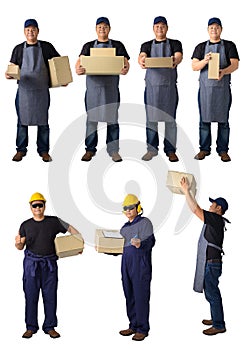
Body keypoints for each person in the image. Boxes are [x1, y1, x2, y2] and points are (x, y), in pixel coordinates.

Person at [15, 192, 83, 339]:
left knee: (50, 296)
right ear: (30, 207)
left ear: (44, 206)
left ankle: (50, 326)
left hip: (49, 265)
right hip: (31, 265)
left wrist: (77, 244)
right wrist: (18, 243)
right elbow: (20, 247)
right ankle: (31, 327)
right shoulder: (25, 225)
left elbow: (71, 228)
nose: (38, 208)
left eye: (40, 205)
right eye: (35, 205)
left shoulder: (54, 222)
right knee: (31, 296)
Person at [5, 19, 63, 162]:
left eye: (33, 29)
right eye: (28, 30)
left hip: (41, 91)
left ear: (38, 31)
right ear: (24, 32)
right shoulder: (18, 49)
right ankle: (20, 150)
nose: (30, 32)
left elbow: (59, 65)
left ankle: (43, 151)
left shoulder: (46, 47)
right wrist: (8, 74)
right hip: (24, 92)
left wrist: (62, 80)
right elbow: (12, 66)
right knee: (22, 121)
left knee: (43, 122)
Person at [75, 17, 130, 162]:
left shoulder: (117, 45)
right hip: (93, 88)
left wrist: (125, 69)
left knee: (112, 120)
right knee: (91, 120)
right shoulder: (88, 46)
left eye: (105, 26)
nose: (102, 29)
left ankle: (113, 151)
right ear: (95, 29)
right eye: (99, 27)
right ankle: (89, 150)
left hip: (110, 88)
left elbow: (125, 62)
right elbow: (79, 62)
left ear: (109, 29)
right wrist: (78, 69)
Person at [180, 177, 230, 336]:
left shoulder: (215, 219)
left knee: (212, 293)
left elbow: (196, 210)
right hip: (212, 263)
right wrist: (188, 194)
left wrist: (186, 191)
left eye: (213, 204)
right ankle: (216, 317)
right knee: (211, 292)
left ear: (218, 208)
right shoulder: (215, 220)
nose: (210, 205)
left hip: (212, 263)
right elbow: (196, 208)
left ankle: (219, 324)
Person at [192, 17, 239, 162]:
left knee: (223, 121)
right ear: (207, 30)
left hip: (222, 89)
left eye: (217, 27)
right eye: (211, 27)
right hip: (206, 90)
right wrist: (205, 61)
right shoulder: (200, 47)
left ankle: (223, 150)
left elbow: (235, 64)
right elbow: (194, 66)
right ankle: (204, 149)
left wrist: (224, 71)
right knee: (204, 120)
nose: (214, 30)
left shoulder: (229, 45)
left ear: (221, 29)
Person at [138, 16, 183, 162]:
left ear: (167, 28)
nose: (160, 28)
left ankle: (170, 150)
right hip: (152, 88)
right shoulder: (146, 45)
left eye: (162, 26)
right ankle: (151, 150)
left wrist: (174, 60)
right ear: (153, 29)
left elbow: (178, 57)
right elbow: (142, 56)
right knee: (151, 120)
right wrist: (142, 60)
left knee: (170, 120)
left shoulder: (175, 43)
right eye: (157, 26)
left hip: (169, 88)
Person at [119, 194, 155, 341]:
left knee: (140, 296)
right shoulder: (124, 228)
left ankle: (142, 328)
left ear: (138, 207)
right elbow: (119, 248)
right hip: (126, 265)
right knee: (129, 295)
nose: (128, 210)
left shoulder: (145, 222)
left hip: (140, 266)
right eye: (125, 208)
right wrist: (105, 248)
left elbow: (151, 241)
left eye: (130, 207)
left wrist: (142, 243)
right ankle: (133, 325)